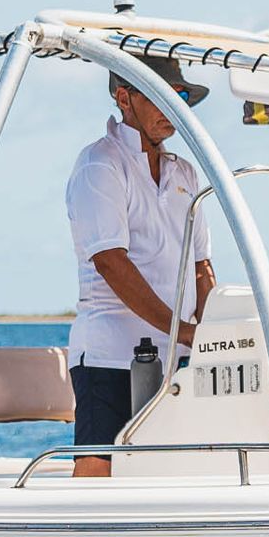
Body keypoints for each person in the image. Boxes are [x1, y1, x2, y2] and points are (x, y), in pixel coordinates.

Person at [64, 58, 215, 477]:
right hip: (109, 356)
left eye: (179, 97)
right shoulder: (100, 164)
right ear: (124, 98)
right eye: (161, 96)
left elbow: (202, 264)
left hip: (178, 359)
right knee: (99, 467)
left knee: (175, 468)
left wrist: (208, 333)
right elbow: (111, 263)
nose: (173, 107)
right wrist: (180, 330)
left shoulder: (184, 171)